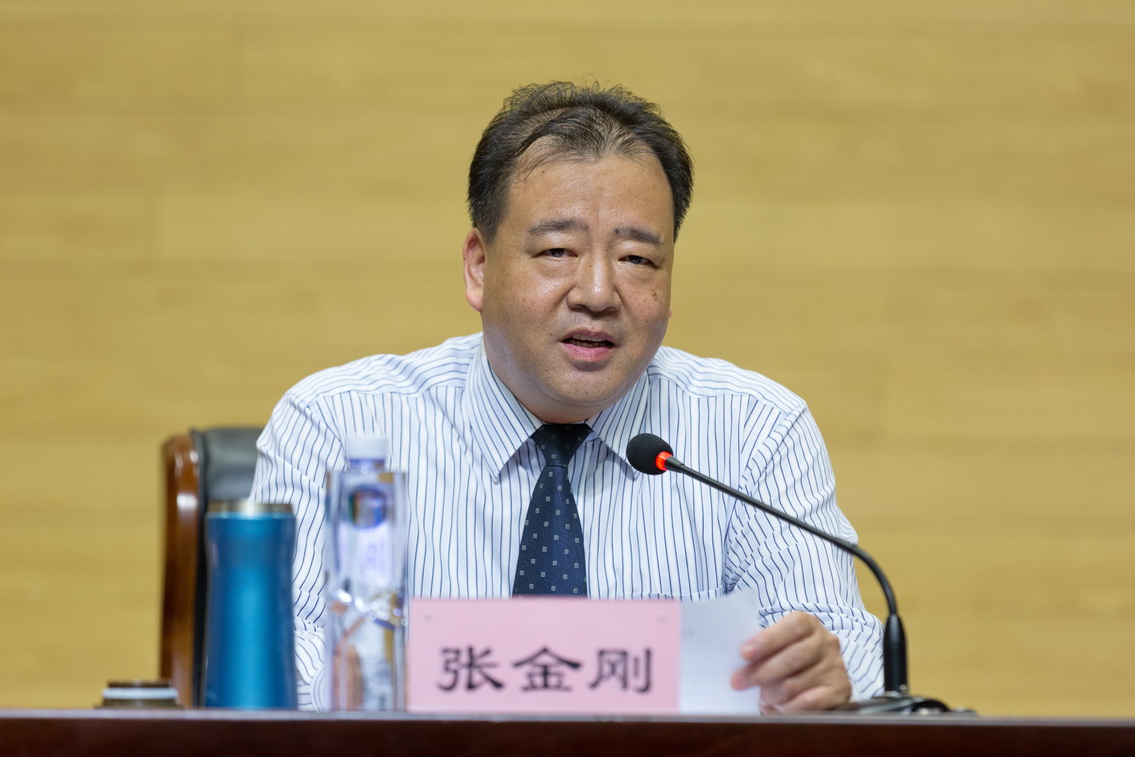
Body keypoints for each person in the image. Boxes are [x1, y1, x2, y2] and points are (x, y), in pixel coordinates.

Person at [250, 81, 883, 711]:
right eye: (558, 250)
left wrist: (817, 680)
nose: (598, 293)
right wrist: (430, 682)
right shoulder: (338, 423)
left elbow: (850, 658)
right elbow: (272, 667)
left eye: (637, 259)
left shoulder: (754, 430)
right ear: (478, 266)